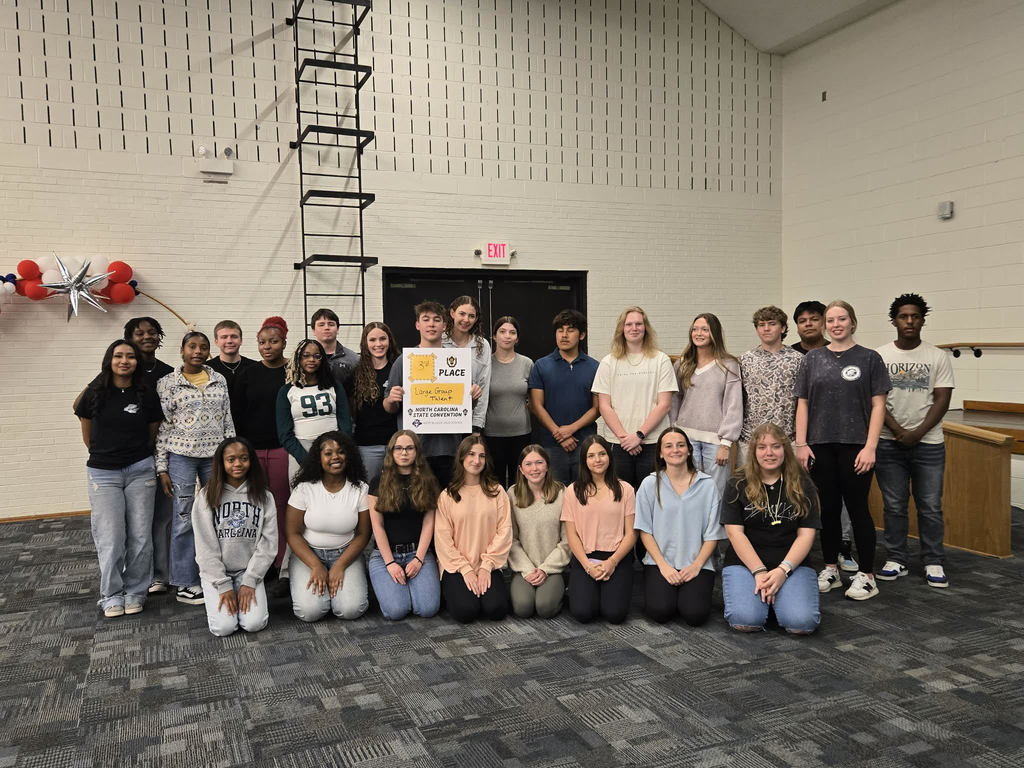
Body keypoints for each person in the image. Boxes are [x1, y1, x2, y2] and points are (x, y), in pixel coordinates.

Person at [794, 300, 890, 601]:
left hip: (857, 446)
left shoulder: (869, 358)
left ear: (853, 322)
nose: (836, 324)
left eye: (842, 319)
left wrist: (870, 446)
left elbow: (878, 405)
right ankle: (831, 567)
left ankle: (866, 575)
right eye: (831, 320)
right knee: (829, 508)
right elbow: (803, 403)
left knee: (858, 508)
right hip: (820, 445)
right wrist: (801, 443)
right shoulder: (812, 359)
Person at [75, 339, 163, 617]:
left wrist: (137, 455)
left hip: (140, 470)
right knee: (111, 537)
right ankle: (111, 594)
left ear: (138, 361)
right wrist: (107, 454)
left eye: (130, 357)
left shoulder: (145, 392)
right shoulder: (95, 392)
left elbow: (152, 432)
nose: (124, 361)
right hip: (104, 472)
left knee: (140, 536)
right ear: (109, 360)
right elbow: (88, 436)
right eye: (118, 356)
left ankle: (136, 591)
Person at [875, 293, 954, 588]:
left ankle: (933, 560)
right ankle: (896, 558)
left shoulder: (936, 356)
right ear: (894, 321)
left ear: (922, 320)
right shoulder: (880, 356)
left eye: (915, 316)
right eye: (904, 316)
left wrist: (918, 433)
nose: (909, 321)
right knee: (894, 505)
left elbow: (943, 399)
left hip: (929, 443)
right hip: (888, 442)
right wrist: (897, 430)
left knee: (930, 505)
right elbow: (877, 399)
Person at [155, 331, 235, 605]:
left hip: (214, 456)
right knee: (184, 518)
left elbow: (227, 420)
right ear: (182, 350)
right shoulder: (168, 383)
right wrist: (162, 468)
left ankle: (217, 574)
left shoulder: (218, 379)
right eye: (192, 346)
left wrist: (232, 456)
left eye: (203, 347)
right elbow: (163, 428)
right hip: (182, 457)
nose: (198, 351)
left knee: (218, 514)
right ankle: (185, 582)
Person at [721, 423, 821, 634]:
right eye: (762, 447)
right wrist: (759, 572)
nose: (769, 453)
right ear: (753, 451)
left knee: (801, 624)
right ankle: (771, 600)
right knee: (746, 621)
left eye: (776, 446)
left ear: (785, 449)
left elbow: (806, 535)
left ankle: (779, 599)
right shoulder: (737, 483)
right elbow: (734, 533)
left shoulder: (803, 483)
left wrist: (783, 571)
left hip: (791, 563)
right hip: (746, 563)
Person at [634, 428, 725, 626]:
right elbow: (644, 530)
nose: (675, 450)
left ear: (689, 450)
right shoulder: (649, 484)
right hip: (660, 562)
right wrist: (664, 567)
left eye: (680, 445)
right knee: (660, 611)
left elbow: (713, 534)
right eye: (668, 446)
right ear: (660, 452)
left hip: (697, 563)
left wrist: (696, 566)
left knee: (695, 615)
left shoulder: (707, 485)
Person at [792, 299, 857, 571]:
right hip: (804, 438)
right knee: (799, 494)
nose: (809, 324)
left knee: (839, 498)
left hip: (842, 437)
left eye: (815, 319)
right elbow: (801, 401)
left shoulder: (845, 354)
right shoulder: (793, 355)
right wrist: (800, 440)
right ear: (795, 327)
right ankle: (798, 548)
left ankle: (843, 546)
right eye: (802, 320)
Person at [192, 437, 278, 636]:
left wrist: (250, 580)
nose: (238, 464)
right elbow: (204, 546)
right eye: (231, 459)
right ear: (221, 463)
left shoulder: (264, 496)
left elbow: (268, 543)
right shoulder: (207, 496)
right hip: (217, 575)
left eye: (243, 458)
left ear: (251, 461)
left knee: (254, 624)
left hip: (248, 572)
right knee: (223, 628)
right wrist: (222, 585)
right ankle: (219, 598)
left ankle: (243, 596)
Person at [285, 431, 370, 621]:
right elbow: (292, 533)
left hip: (346, 554)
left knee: (351, 609)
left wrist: (340, 566)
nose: (335, 457)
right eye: (328, 453)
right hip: (309, 555)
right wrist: (315, 565)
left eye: (341, 452)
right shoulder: (304, 488)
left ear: (349, 455)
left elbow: (363, 534)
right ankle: (319, 588)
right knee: (310, 612)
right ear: (318, 458)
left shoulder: (360, 488)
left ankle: (337, 588)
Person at [591, 306, 677, 489]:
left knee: (653, 497)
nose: (634, 328)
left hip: (652, 442)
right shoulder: (609, 362)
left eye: (639, 324)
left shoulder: (660, 360)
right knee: (621, 497)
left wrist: (639, 435)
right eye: (629, 324)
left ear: (646, 328)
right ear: (621, 329)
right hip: (618, 443)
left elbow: (664, 404)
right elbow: (604, 406)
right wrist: (625, 438)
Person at [231, 317, 290, 571]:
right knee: (254, 503)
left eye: (273, 342)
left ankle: (283, 562)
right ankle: (257, 561)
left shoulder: (292, 372)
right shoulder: (248, 373)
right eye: (262, 342)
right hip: (252, 449)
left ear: (284, 343)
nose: (267, 347)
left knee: (281, 504)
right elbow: (237, 413)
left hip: (281, 447)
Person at [383, 300, 461, 488]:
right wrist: (392, 399)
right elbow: (388, 407)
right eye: (426, 320)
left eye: (436, 320)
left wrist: (472, 398)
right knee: (418, 505)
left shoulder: (457, 360)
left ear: (444, 326)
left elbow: (466, 407)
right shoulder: (405, 361)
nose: (431, 324)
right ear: (418, 325)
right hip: (414, 449)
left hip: (448, 448)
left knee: (446, 504)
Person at [434, 435, 512, 622]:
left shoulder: (497, 491)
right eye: (471, 454)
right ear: (461, 457)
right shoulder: (447, 495)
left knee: (497, 609)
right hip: (456, 566)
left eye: (482, 456)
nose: (477, 461)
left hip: (489, 564)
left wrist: (486, 566)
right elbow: (443, 540)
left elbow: (505, 531)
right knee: (466, 611)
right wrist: (466, 569)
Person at [561, 435, 637, 623]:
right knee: (583, 613)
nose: (598, 460)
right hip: (585, 557)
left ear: (609, 457)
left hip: (616, 557)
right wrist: (587, 567)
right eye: (591, 456)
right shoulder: (573, 490)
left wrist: (612, 562)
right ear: (584, 461)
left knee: (615, 614)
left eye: (602, 454)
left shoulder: (625, 489)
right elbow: (571, 534)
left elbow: (631, 533)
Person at [367, 430, 442, 620]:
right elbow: (378, 526)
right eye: (398, 448)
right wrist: (390, 563)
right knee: (396, 611)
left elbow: (428, 523)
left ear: (417, 451)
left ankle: (410, 587)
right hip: (386, 556)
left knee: (428, 610)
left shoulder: (429, 481)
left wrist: (418, 559)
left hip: (418, 553)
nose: (404, 453)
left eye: (409, 448)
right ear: (391, 452)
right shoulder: (378, 482)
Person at [671, 312, 742, 499]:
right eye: (695, 329)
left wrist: (726, 443)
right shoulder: (683, 364)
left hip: (716, 441)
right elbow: (674, 399)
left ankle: (716, 530)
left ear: (714, 333)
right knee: (688, 491)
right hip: (686, 439)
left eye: (704, 329)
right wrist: (674, 430)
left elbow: (733, 404)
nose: (698, 333)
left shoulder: (729, 365)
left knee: (716, 493)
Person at [528, 309, 600, 484]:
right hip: (551, 444)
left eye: (571, 330)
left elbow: (598, 408)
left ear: (582, 335)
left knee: (585, 495)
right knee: (555, 496)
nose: (564, 335)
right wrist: (559, 433)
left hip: (586, 444)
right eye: (560, 330)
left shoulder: (595, 366)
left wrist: (570, 429)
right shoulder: (541, 365)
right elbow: (536, 405)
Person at [507, 445, 570, 619]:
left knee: (545, 608)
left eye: (539, 463)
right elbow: (511, 539)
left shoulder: (562, 493)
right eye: (528, 464)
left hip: (553, 567)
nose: (534, 469)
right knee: (523, 608)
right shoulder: (512, 494)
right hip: (524, 567)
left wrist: (545, 569)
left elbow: (567, 540)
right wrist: (528, 569)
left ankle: (563, 588)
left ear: (547, 466)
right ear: (521, 469)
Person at [277, 338, 353, 475]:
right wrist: (305, 459)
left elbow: (345, 423)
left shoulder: (334, 386)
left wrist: (337, 449)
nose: (311, 359)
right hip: (300, 450)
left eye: (317, 356)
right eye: (305, 355)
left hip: (333, 448)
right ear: (297, 359)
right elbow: (284, 433)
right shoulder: (287, 391)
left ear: (322, 359)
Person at [738, 306, 804, 453]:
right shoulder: (745, 360)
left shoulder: (797, 359)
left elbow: (803, 401)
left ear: (783, 328)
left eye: (772, 324)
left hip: (786, 438)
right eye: (761, 325)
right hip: (751, 438)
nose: (766, 329)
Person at [348, 321, 399, 485]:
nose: (378, 344)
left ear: (389, 340)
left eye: (383, 339)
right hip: (368, 445)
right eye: (372, 340)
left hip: (398, 443)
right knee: (370, 493)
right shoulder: (355, 374)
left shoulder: (400, 368)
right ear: (365, 343)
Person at [485, 316, 534, 486]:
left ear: (517, 338)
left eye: (512, 332)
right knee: (494, 484)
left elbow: (534, 400)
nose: (507, 336)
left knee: (520, 484)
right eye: (502, 331)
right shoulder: (485, 364)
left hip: (521, 433)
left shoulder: (527, 363)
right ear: (494, 336)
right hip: (491, 434)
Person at [442, 295, 491, 432]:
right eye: (462, 314)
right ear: (452, 313)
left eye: (471, 316)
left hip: (468, 421)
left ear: (476, 319)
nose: (466, 320)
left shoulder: (483, 345)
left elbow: (483, 385)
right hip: (440, 419)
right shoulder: (438, 340)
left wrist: (477, 425)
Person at [311, 308, 359, 387]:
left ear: (338, 329)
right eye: (321, 325)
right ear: (313, 330)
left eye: (331, 324)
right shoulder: (305, 359)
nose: (326, 328)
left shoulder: (353, 359)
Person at [207, 320, 257, 396]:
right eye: (224, 337)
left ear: (241, 340)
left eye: (234, 337)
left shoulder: (255, 367)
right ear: (216, 341)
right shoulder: (207, 369)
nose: (229, 341)